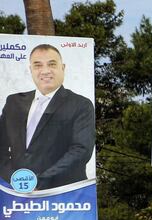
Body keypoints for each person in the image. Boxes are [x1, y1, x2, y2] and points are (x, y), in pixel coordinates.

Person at [0, 44, 95, 190]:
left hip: (64, 195)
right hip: (15, 194)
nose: (45, 71)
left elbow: (81, 150)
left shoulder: (81, 105)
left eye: (52, 64)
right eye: (38, 65)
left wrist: (39, 181)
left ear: (62, 68)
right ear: (30, 70)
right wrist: (14, 179)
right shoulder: (13, 102)